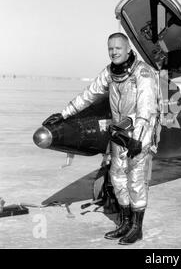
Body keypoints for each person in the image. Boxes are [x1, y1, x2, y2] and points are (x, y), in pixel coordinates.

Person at [43, 32, 161, 245]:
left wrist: (139, 138)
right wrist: (64, 114)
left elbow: (146, 109)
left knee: (135, 181)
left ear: (127, 49)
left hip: (138, 134)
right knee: (117, 177)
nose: (114, 52)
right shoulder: (110, 72)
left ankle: (137, 227)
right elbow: (89, 94)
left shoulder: (143, 73)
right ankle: (125, 222)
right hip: (119, 133)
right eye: (110, 49)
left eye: (118, 48)